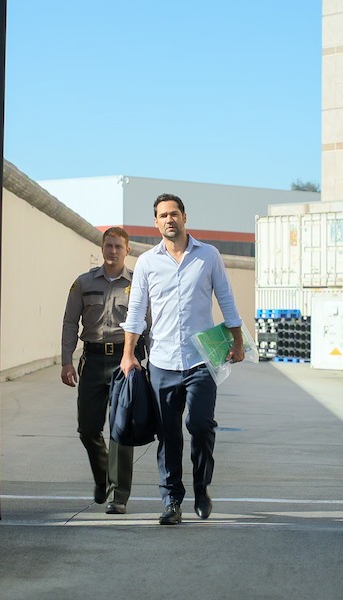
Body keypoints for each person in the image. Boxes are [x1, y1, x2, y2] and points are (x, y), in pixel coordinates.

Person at [120, 193, 244, 525]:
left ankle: (202, 487)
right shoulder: (146, 262)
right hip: (162, 363)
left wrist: (238, 341)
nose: (169, 219)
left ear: (185, 217)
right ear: (156, 223)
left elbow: (226, 299)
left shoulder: (208, 256)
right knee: (168, 434)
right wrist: (128, 354)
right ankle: (172, 501)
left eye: (174, 214)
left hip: (201, 360)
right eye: (163, 215)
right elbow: (136, 312)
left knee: (200, 426)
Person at [61, 227, 139, 515]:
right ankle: (103, 478)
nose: (113, 251)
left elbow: (149, 325)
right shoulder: (83, 282)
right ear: (102, 247)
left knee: (121, 430)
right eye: (109, 245)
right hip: (92, 361)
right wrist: (66, 360)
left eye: (119, 246)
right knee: (88, 429)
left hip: (124, 361)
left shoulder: (138, 284)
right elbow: (70, 322)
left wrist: (150, 364)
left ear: (127, 250)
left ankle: (119, 496)